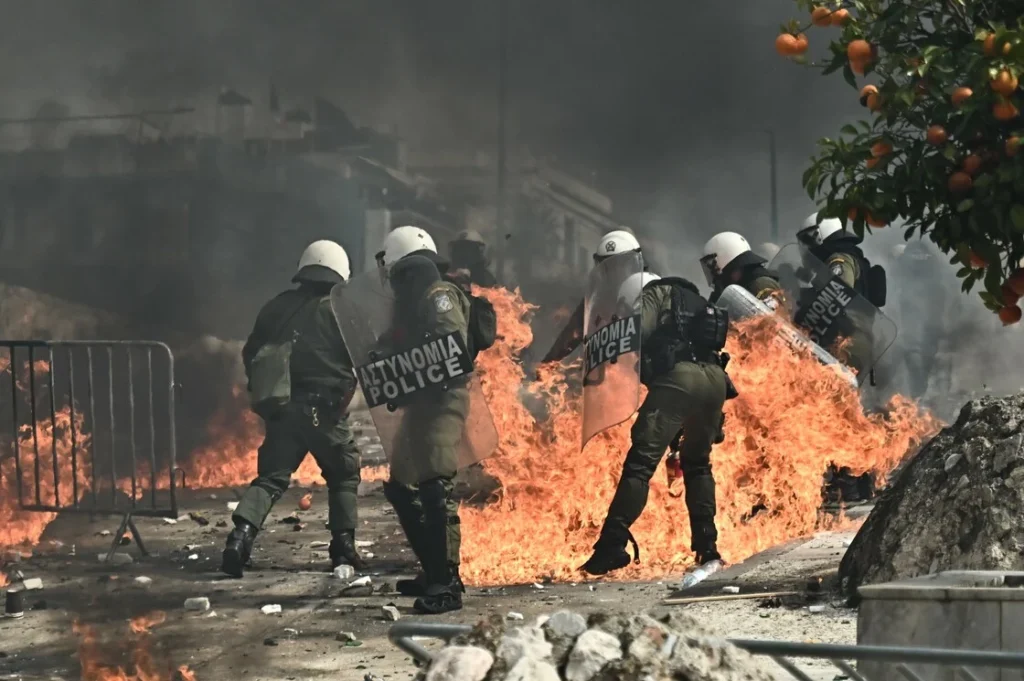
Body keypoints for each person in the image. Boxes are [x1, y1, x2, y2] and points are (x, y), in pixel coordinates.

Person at [222, 240, 365, 578]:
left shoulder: (276, 307)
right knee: (343, 472)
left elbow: (252, 355)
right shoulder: (342, 310)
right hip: (325, 413)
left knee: (271, 477)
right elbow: (362, 358)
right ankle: (343, 547)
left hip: (283, 409)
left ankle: (239, 538)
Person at [581, 274, 733, 575]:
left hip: (679, 379)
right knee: (698, 465)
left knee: (640, 464)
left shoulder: (655, 295)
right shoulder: (696, 301)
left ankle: (610, 546)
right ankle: (707, 547)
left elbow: (639, 334)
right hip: (715, 381)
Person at [376, 229, 475, 614]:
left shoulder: (439, 295)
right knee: (402, 488)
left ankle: (446, 583)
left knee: (435, 488)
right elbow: (402, 342)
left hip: (443, 401)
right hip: (420, 404)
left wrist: (409, 361)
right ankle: (431, 568)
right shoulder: (413, 302)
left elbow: (448, 347)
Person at [795, 212, 887, 380]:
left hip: (846, 341)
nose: (806, 248)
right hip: (852, 340)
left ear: (819, 235)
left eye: (808, 240)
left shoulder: (840, 259)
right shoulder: (850, 258)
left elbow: (836, 293)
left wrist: (797, 302)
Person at [542, 229, 645, 364]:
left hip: (642, 374)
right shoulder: (597, 298)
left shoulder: (648, 289)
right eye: (607, 265)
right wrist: (546, 366)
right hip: (607, 376)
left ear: (632, 264)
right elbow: (570, 335)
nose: (614, 271)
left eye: (620, 264)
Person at [700, 232, 784, 308]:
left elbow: (773, 322)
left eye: (711, 265)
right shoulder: (739, 289)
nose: (714, 274)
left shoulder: (761, 285)